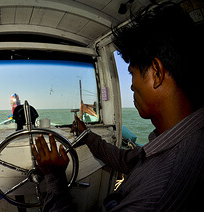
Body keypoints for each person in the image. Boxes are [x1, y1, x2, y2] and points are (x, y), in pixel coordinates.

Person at [32, 3, 204, 211]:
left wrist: (54, 177)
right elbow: (126, 161)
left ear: (157, 74)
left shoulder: (159, 193)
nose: (131, 84)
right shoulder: (179, 139)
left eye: (131, 73)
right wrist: (86, 135)